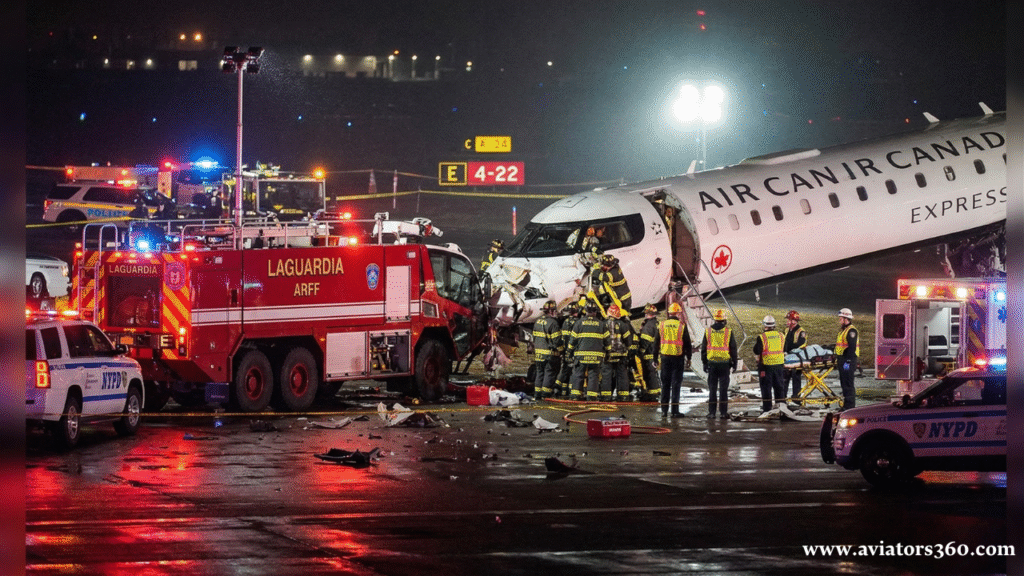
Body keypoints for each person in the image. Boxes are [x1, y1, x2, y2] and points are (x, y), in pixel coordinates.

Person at [568, 301, 609, 401]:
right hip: (596, 356)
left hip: (581, 355)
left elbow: (572, 340)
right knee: (593, 376)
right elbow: (607, 341)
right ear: (596, 311)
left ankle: (576, 396)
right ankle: (591, 396)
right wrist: (608, 352)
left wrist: (569, 351)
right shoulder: (601, 324)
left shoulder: (579, 323)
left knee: (578, 374)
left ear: (585, 311)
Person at [701, 309, 737, 419]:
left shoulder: (708, 331)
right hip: (724, 365)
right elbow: (733, 349)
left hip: (712, 364)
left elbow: (704, 349)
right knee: (723, 390)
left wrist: (704, 363)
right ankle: (723, 413)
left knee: (712, 390)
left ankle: (712, 413)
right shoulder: (728, 332)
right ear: (724, 320)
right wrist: (734, 363)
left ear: (715, 320)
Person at [658, 302, 692, 417]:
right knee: (676, 385)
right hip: (678, 358)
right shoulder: (681, 326)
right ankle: (674, 411)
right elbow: (687, 343)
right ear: (678, 313)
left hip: (665, 358)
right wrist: (689, 358)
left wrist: (655, 357)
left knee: (665, 385)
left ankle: (664, 411)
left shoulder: (662, 325)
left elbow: (656, 342)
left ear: (669, 313)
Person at [752, 315, 786, 413]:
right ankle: (781, 409)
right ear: (774, 325)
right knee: (779, 388)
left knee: (766, 389)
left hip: (766, 367)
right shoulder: (781, 335)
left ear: (764, 325)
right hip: (779, 366)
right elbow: (785, 348)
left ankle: (767, 410)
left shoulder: (762, 337)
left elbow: (756, 350)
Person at [602, 304, 634, 402]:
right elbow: (628, 340)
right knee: (622, 374)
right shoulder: (623, 325)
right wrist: (629, 350)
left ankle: (606, 396)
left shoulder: (603, 324)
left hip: (608, 354)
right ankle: (623, 396)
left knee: (606, 375)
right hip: (621, 354)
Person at [531, 300, 562, 399]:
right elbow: (557, 340)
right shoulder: (553, 323)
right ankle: (545, 394)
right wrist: (562, 350)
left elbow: (534, 337)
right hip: (549, 354)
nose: (556, 313)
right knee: (549, 373)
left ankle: (537, 394)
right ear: (551, 311)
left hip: (538, 354)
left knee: (539, 373)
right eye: (555, 311)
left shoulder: (537, 321)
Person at [553, 301, 581, 397]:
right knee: (573, 370)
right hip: (574, 350)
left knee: (565, 368)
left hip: (565, 349)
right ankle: (567, 389)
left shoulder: (565, 322)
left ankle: (561, 389)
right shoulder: (578, 322)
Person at [637, 304, 663, 402]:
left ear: (648, 314)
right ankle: (656, 391)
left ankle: (652, 394)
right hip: (655, 353)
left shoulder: (649, 325)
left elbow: (645, 341)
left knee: (649, 374)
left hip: (649, 354)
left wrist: (640, 351)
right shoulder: (656, 323)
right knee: (653, 373)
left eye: (646, 313)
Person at [835, 308, 860, 410]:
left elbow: (852, 347)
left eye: (841, 318)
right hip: (843, 360)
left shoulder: (851, 331)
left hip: (848, 361)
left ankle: (850, 407)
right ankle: (846, 406)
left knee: (848, 384)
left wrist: (848, 362)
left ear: (846, 319)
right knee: (844, 383)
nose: (839, 320)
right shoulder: (844, 330)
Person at [783, 310, 807, 402]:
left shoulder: (801, 332)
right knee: (785, 377)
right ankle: (783, 397)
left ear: (794, 321)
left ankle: (796, 398)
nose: (787, 321)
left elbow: (800, 345)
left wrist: (789, 351)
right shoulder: (787, 330)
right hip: (788, 357)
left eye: (788, 319)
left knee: (796, 377)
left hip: (797, 358)